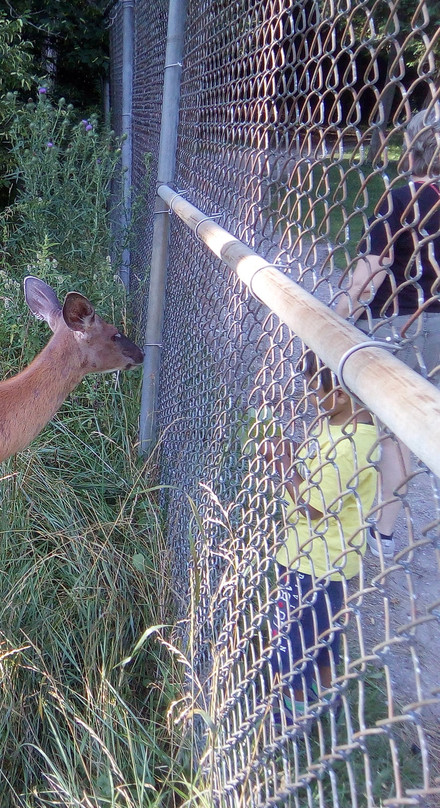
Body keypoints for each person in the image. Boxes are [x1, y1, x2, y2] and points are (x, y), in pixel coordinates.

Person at [336, 102, 440, 557]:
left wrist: (334, 316)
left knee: (392, 429)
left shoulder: (400, 198)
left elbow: (369, 277)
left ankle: (384, 529)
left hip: (400, 322)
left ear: (411, 150)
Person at [262, 350, 380, 720]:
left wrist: (282, 463)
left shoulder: (350, 446)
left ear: (342, 393)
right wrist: (295, 456)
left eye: (316, 391)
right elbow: (318, 470)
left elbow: (314, 507)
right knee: (322, 638)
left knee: (291, 643)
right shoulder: (337, 422)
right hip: (325, 560)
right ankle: (326, 701)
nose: (311, 399)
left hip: (313, 561)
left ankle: (290, 719)